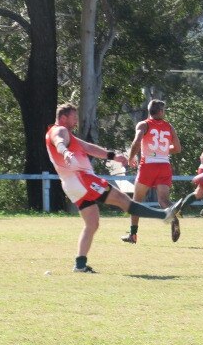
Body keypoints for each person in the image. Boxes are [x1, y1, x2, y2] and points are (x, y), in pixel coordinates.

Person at [46, 103, 182, 273]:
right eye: (74, 117)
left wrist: (113, 156)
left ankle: (80, 264)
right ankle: (164, 215)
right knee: (123, 200)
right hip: (82, 179)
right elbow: (59, 141)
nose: (76, 121)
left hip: (71, 185)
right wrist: (65, 152)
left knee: (92, 223)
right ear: (63, 117)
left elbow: (89, 148)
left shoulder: (70, 136)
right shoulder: (59, 130)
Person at [121, 99, 182, 244]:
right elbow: (178, 149)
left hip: (148, 165)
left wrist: (131, 158)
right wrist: (162, 150)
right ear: (160, 112)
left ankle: (133, 235)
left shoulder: (144, 124)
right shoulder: (169, 126)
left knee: (136, 201)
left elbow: (136, 141)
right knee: (163, 200)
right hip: (164, 165)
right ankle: (172, 216)